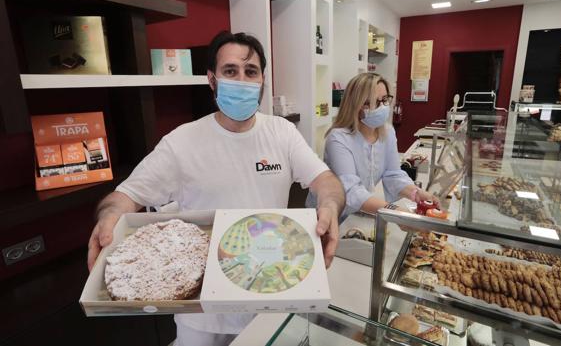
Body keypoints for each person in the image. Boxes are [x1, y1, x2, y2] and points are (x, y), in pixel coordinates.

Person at [87, 31, 345, 346]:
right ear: (212, 80)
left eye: (250, 72)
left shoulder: (282, 133)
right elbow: (124, 197)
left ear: (262, 79)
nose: (241, 79)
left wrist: (330, 206)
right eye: (230, 71)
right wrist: (109, 217)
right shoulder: (181, 142)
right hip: (203, 314)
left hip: (270, 297)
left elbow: (326, 181)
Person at [307, 72, 438, 223]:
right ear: (355, 105)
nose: (381, 107)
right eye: (371, 102)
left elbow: (393, 174)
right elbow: (351, 191)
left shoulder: (387, 132)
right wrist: (395, 212)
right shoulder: (338, 138)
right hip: (328, 214)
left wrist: (417, 194)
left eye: (384, 100)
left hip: (358, 212)